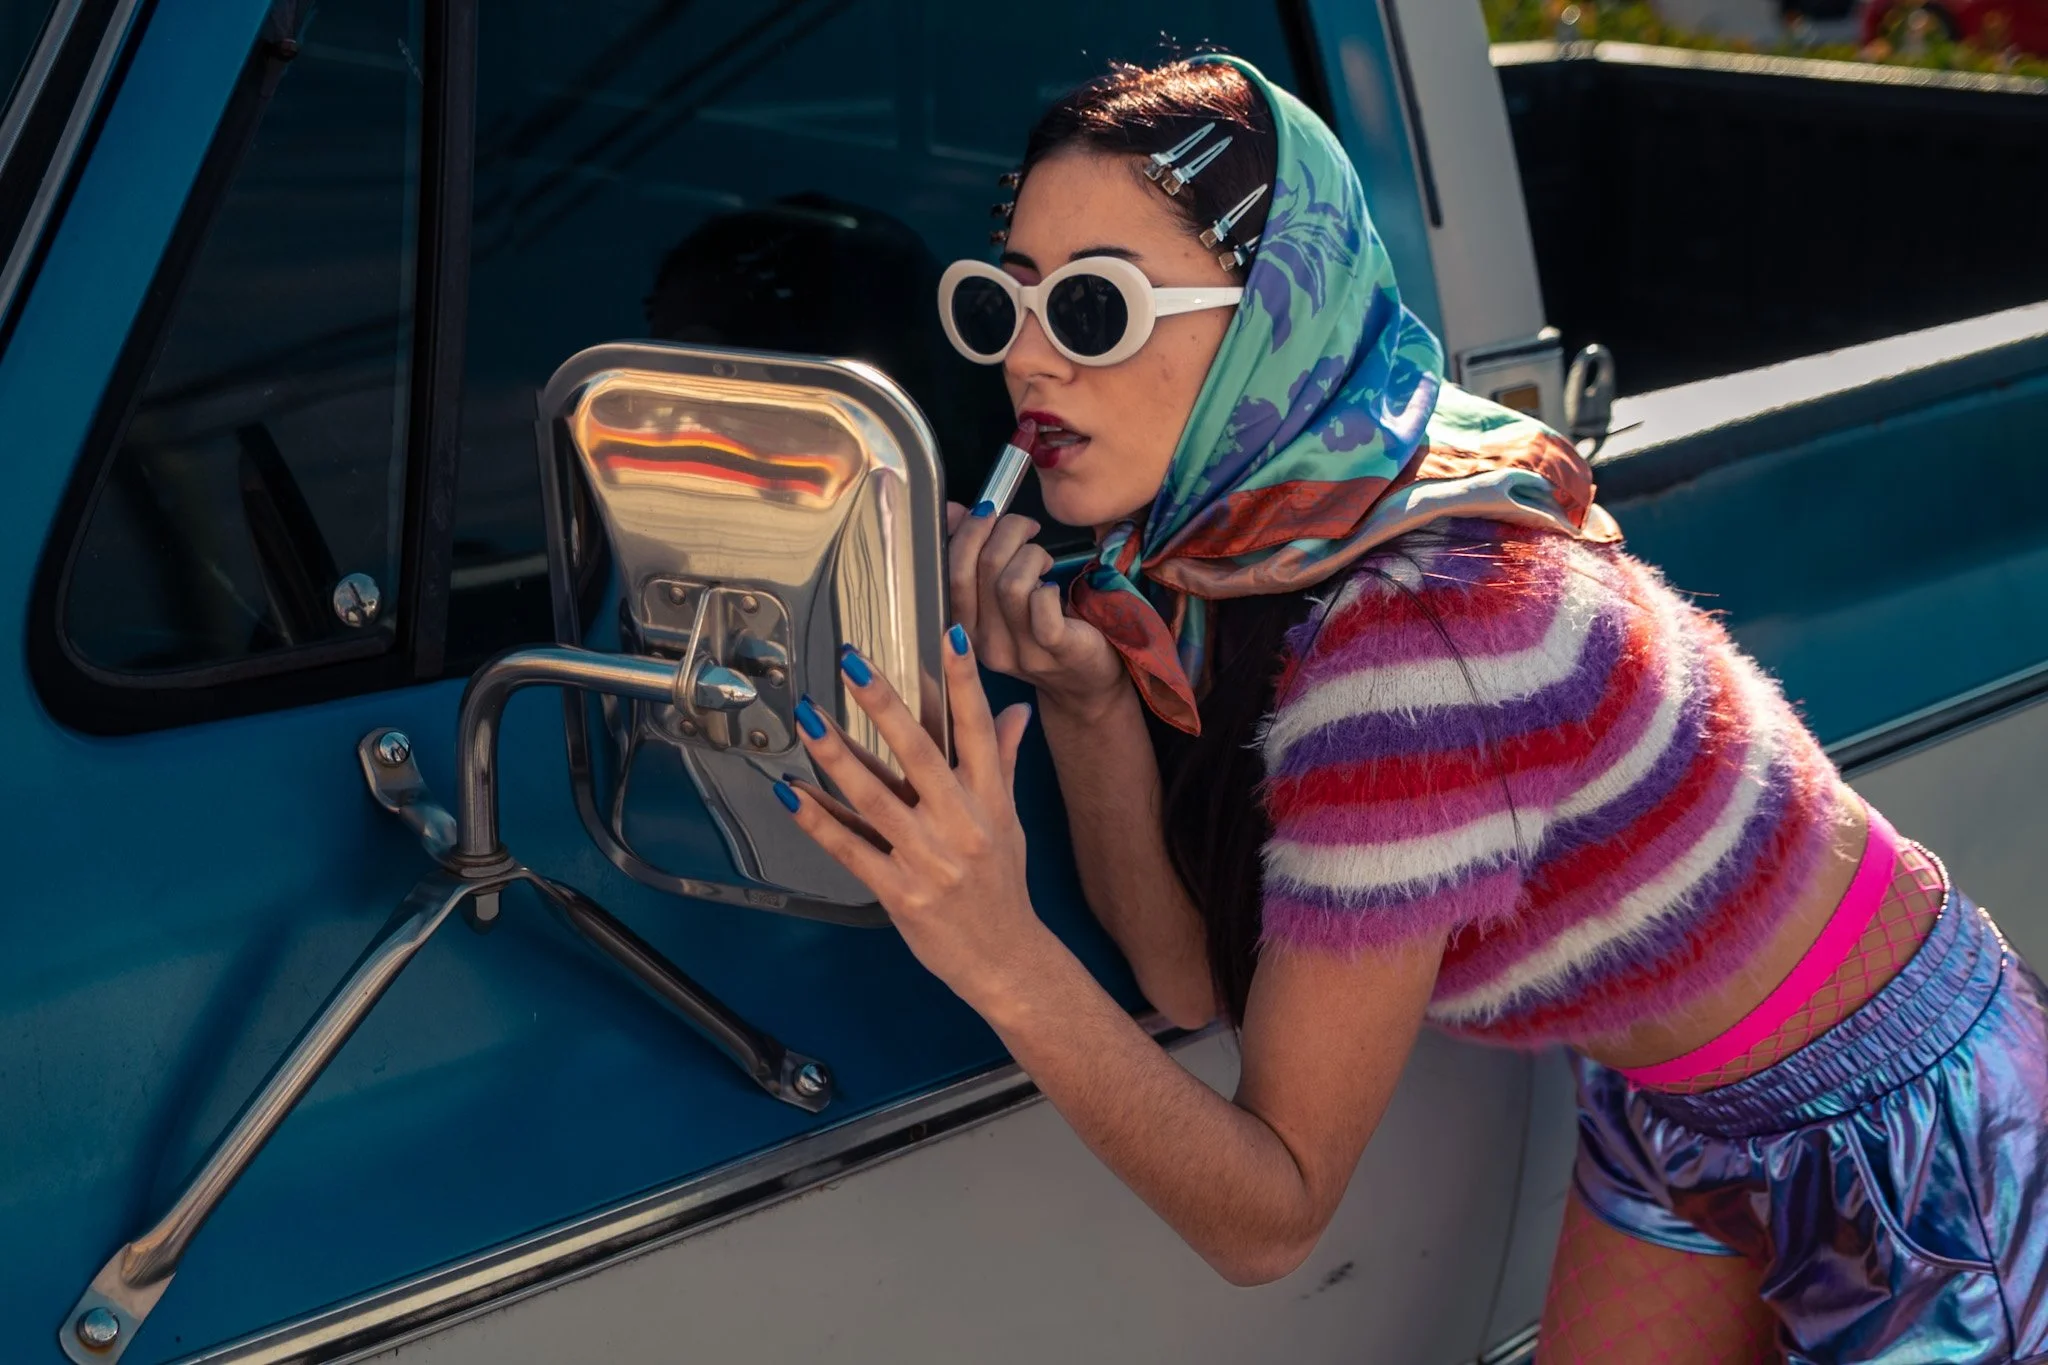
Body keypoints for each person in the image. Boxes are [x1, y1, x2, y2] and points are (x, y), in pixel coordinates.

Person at [770, 53, 2048, 1363]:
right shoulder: (1250, 543)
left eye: (1092, 309)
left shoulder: (1413, 642)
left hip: (1901, 1128)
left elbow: (1272, 1214)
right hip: (1672, 1102)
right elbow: (1189, 982)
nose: (1027, 360)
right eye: (1007, 303)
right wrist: (1086, 702)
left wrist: (993, 948)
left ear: (1268, 315)